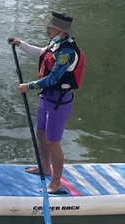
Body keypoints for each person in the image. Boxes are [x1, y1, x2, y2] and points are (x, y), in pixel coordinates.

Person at [7, 11, 84, 194]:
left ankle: (56, 182)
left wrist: (28, 86)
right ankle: (45, 167)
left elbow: (53, 79)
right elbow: (40, 53)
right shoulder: (55, 44)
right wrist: (20, 44)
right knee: (41, 135)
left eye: (51, 27)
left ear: (61, 31)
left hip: (59, 102)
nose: (47, 29)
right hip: (46, 99)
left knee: (53, 142)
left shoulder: (67, 52)